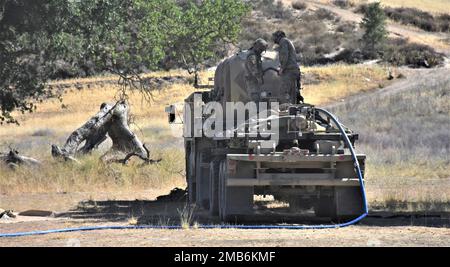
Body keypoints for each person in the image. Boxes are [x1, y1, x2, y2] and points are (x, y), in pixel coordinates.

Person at [272, 30, 303, 104]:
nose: (274, 39)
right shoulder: (287, 41)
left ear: (279, 36)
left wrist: (282, 68)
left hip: (289, 71)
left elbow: (284, 56)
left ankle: (285, 111)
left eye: (275, 37)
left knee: (283, 92)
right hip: (294, 70)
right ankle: (293, 107)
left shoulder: (283, 41)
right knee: (293, 93)